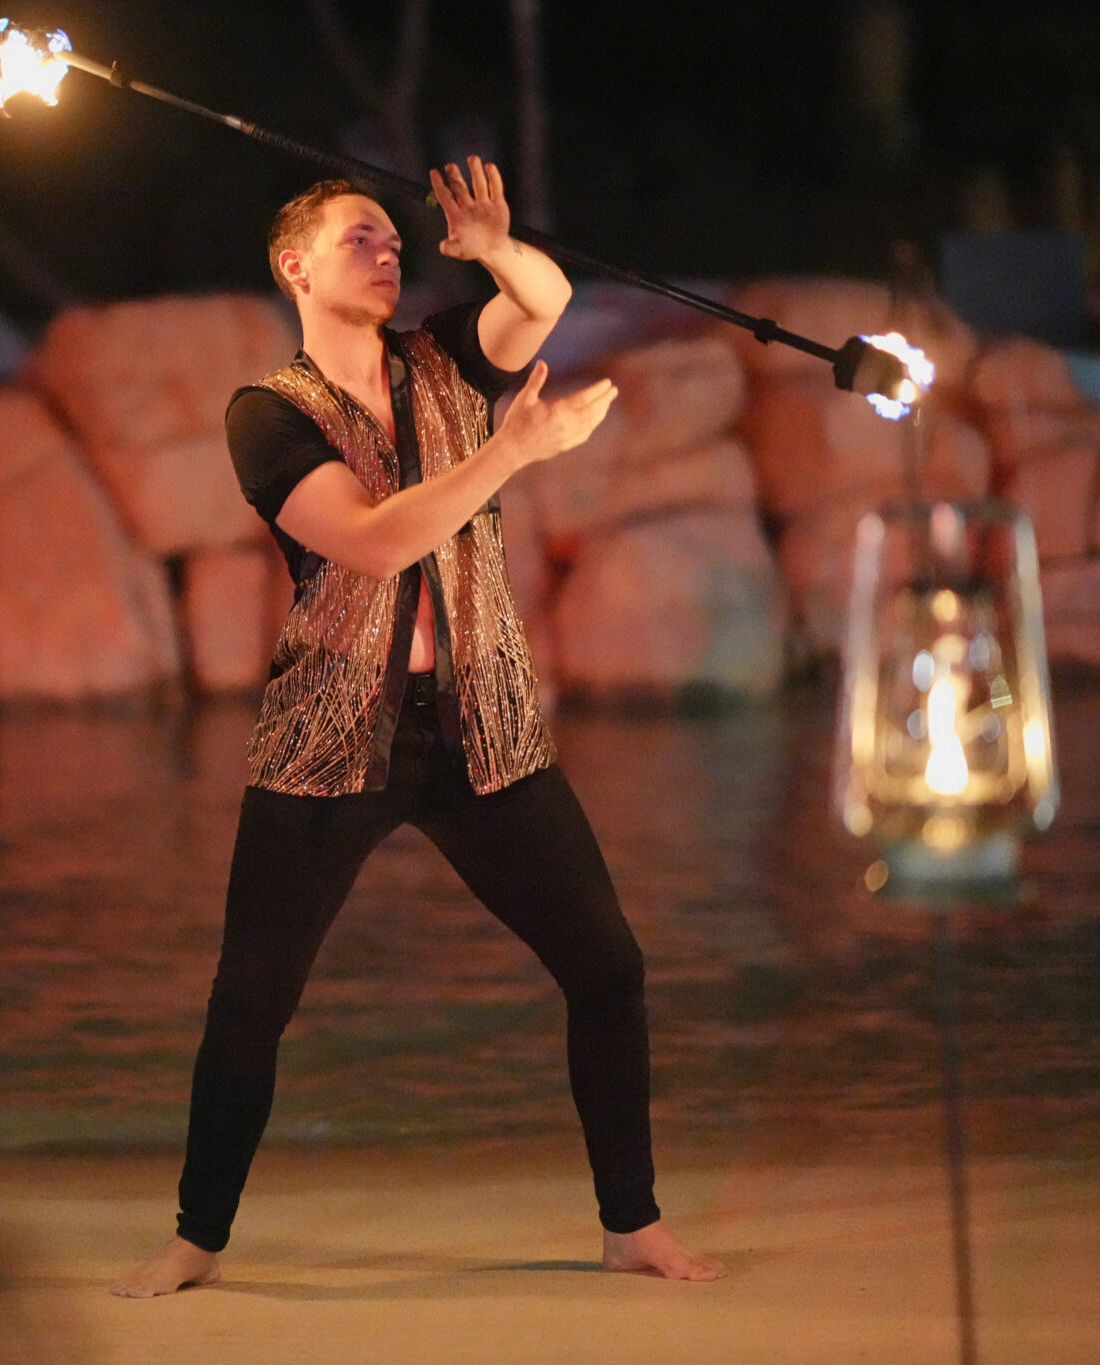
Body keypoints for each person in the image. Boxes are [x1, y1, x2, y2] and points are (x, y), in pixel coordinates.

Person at [111, 158, 726, 1297]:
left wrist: (492, 247)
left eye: (394, 239)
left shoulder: (443, 356)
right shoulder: (267, 413)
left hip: (481, 724)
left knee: (606, 965)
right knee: (250, 1004)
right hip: (332, 735)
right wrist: (511, 453)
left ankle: (630, 1222)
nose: (387, 250)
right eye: (359, 237)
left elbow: (543, 301)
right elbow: (376, 540)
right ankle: (197, 1236)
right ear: (295, 267)